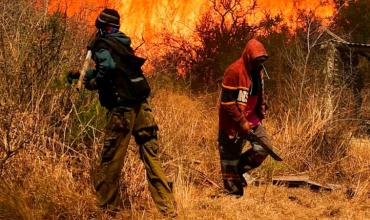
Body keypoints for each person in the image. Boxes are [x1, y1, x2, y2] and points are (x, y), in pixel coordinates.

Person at [70, 9, 176, 216]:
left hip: (122, 111)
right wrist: (82, 75)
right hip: (142, 108)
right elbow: (117, 70)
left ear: (102, 27)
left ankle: (107, 209)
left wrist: (92, 82)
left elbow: (107, 67)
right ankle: (168, 209)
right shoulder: (123, 44)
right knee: (152, 159)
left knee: (111, 160)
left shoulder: (102, 44)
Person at [218, 39, 273, 196]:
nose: (260, 64)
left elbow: (257, 93)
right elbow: (227, 103)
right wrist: (241, 122)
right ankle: (232, 195)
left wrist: (262, 106)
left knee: (264, 147)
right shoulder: (234, 71)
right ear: (249, 57)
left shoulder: (259, 71)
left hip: (252, 119)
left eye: (262, 61)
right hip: (232, 123)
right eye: (257, 61)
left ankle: (238, 170)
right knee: (229, 158)